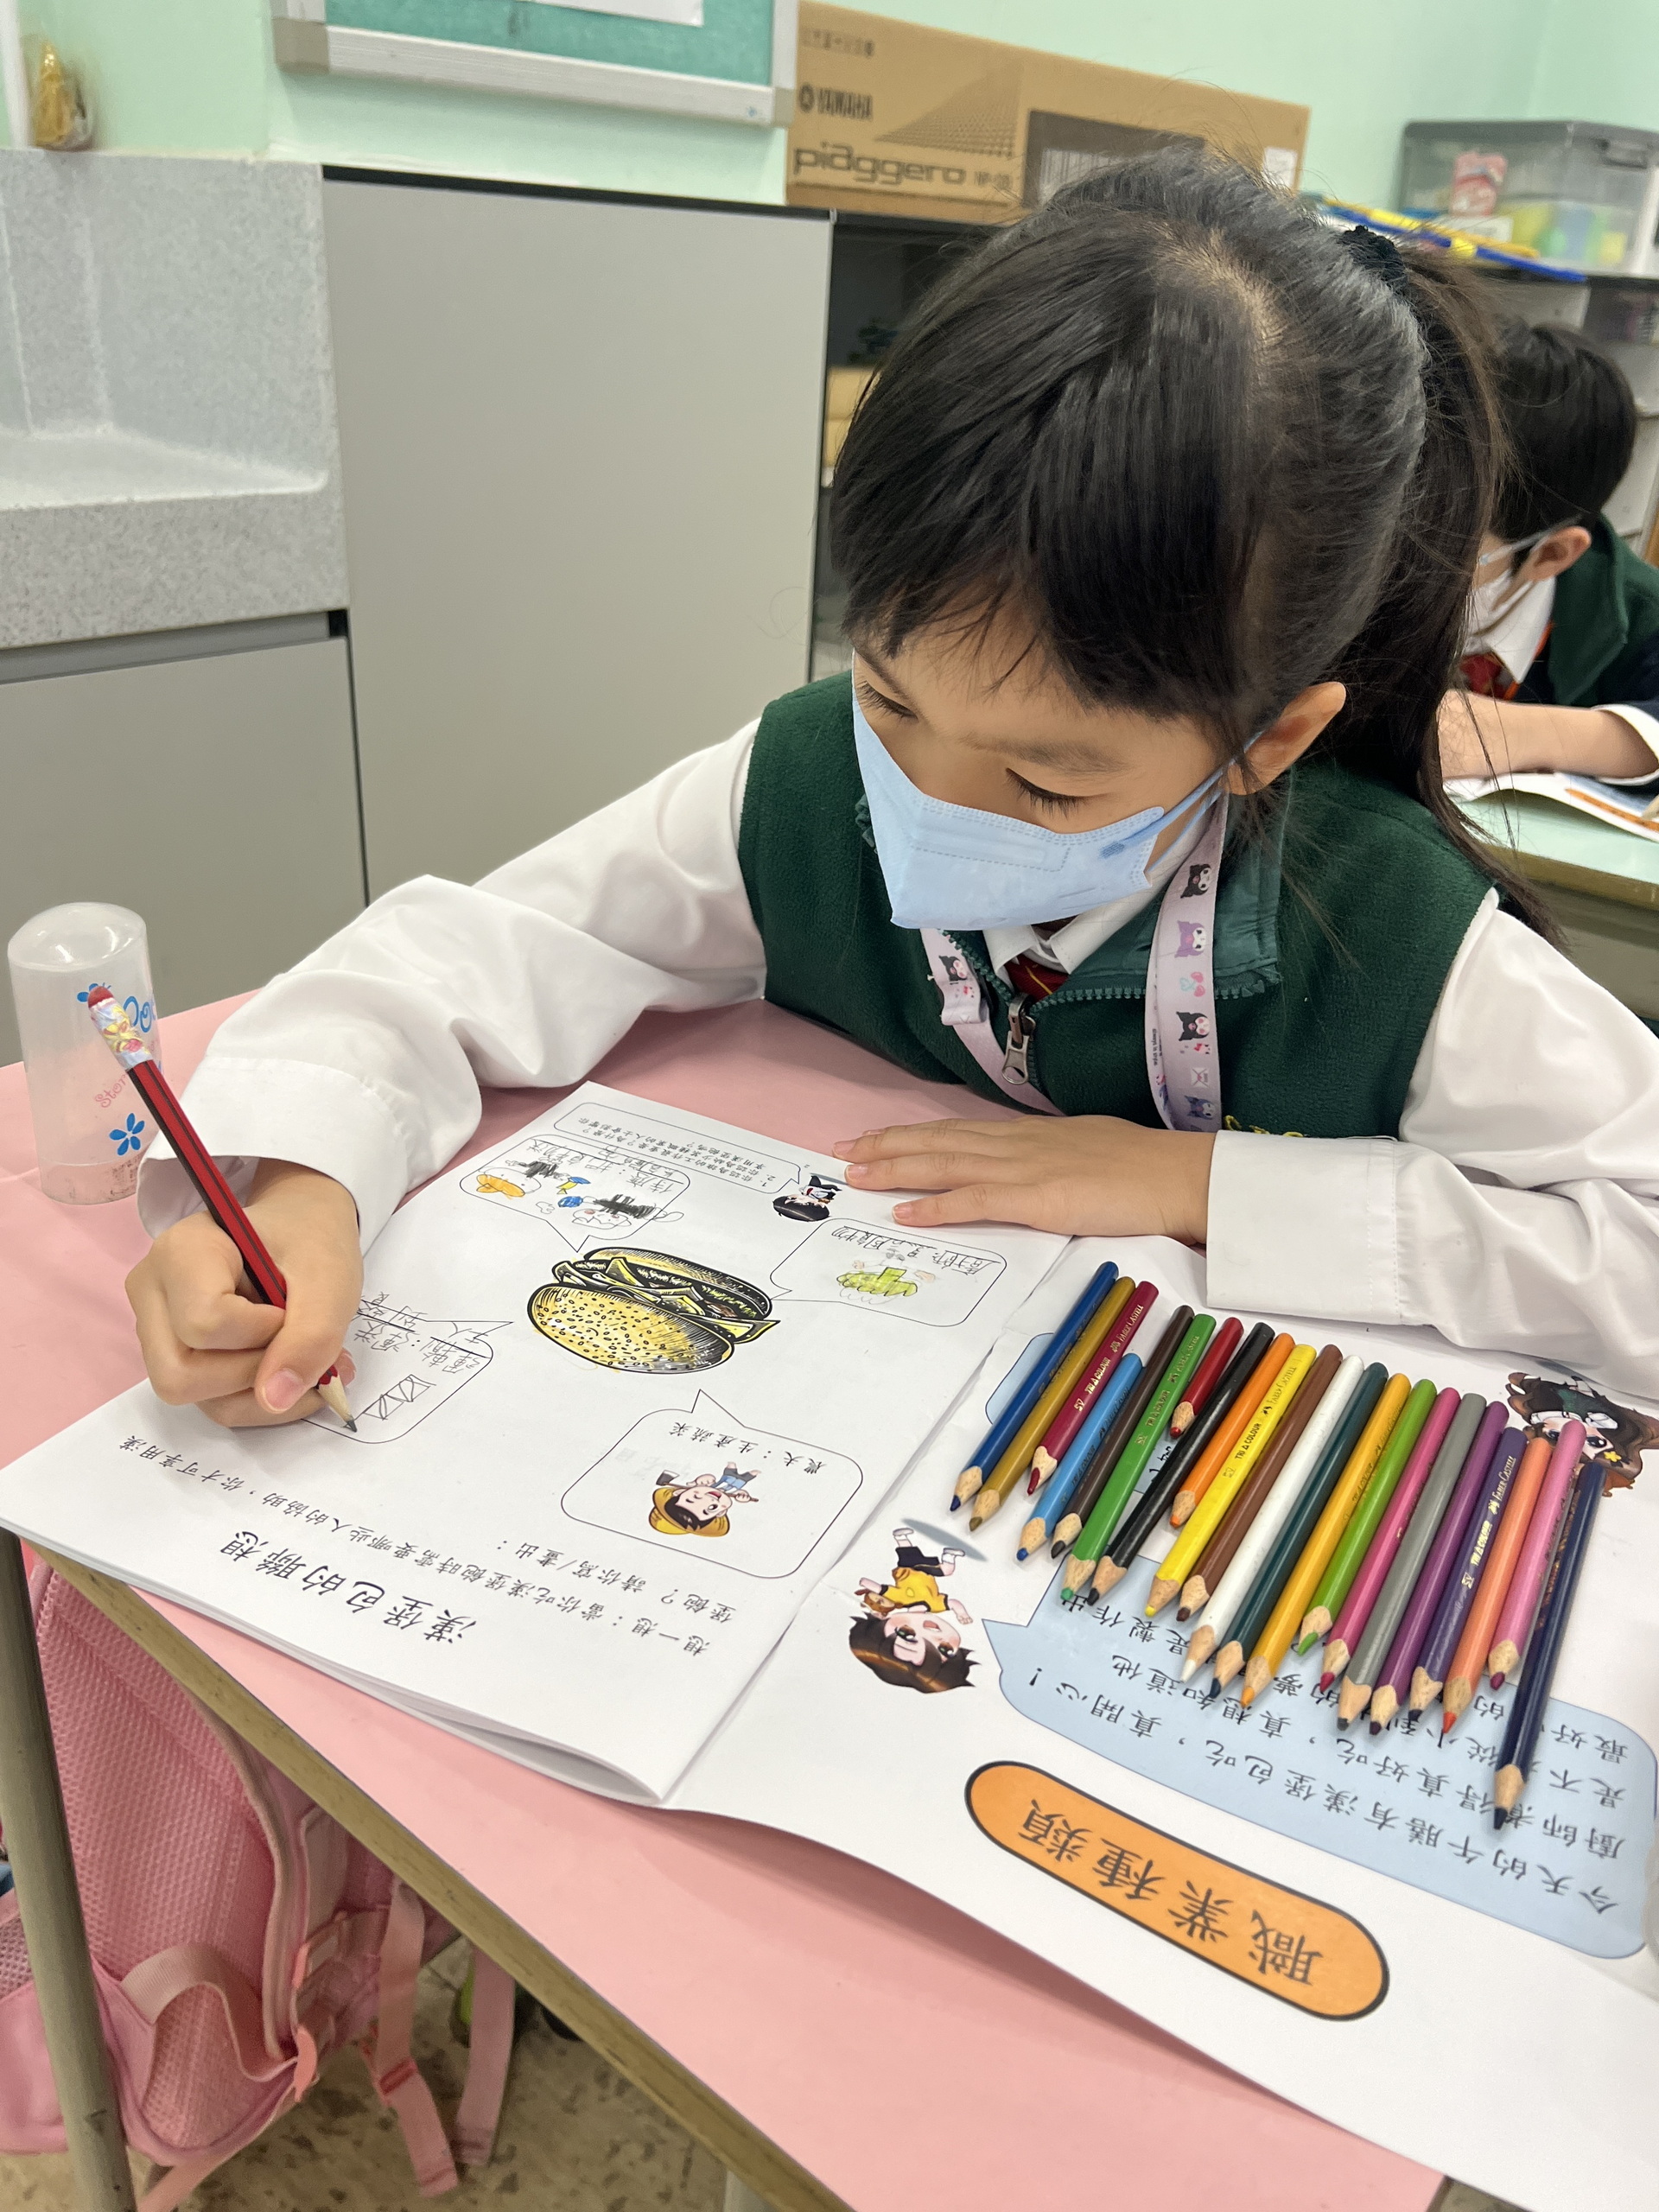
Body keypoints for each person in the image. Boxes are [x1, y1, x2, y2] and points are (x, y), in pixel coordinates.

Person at [124, 152, 1659, 1421]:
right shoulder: (800, 777)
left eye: (1048, 782)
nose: (927, 802)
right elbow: (473, 952)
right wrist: (308, 1177)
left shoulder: (1384, 925)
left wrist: (1199, 1182)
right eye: (888, 697)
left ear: (1266, 740)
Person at [1440, 318, 1659, 788]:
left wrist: (1514, 734)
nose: (1400, 563)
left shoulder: (1637, 613)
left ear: (1552, 555)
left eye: (1443, 550)